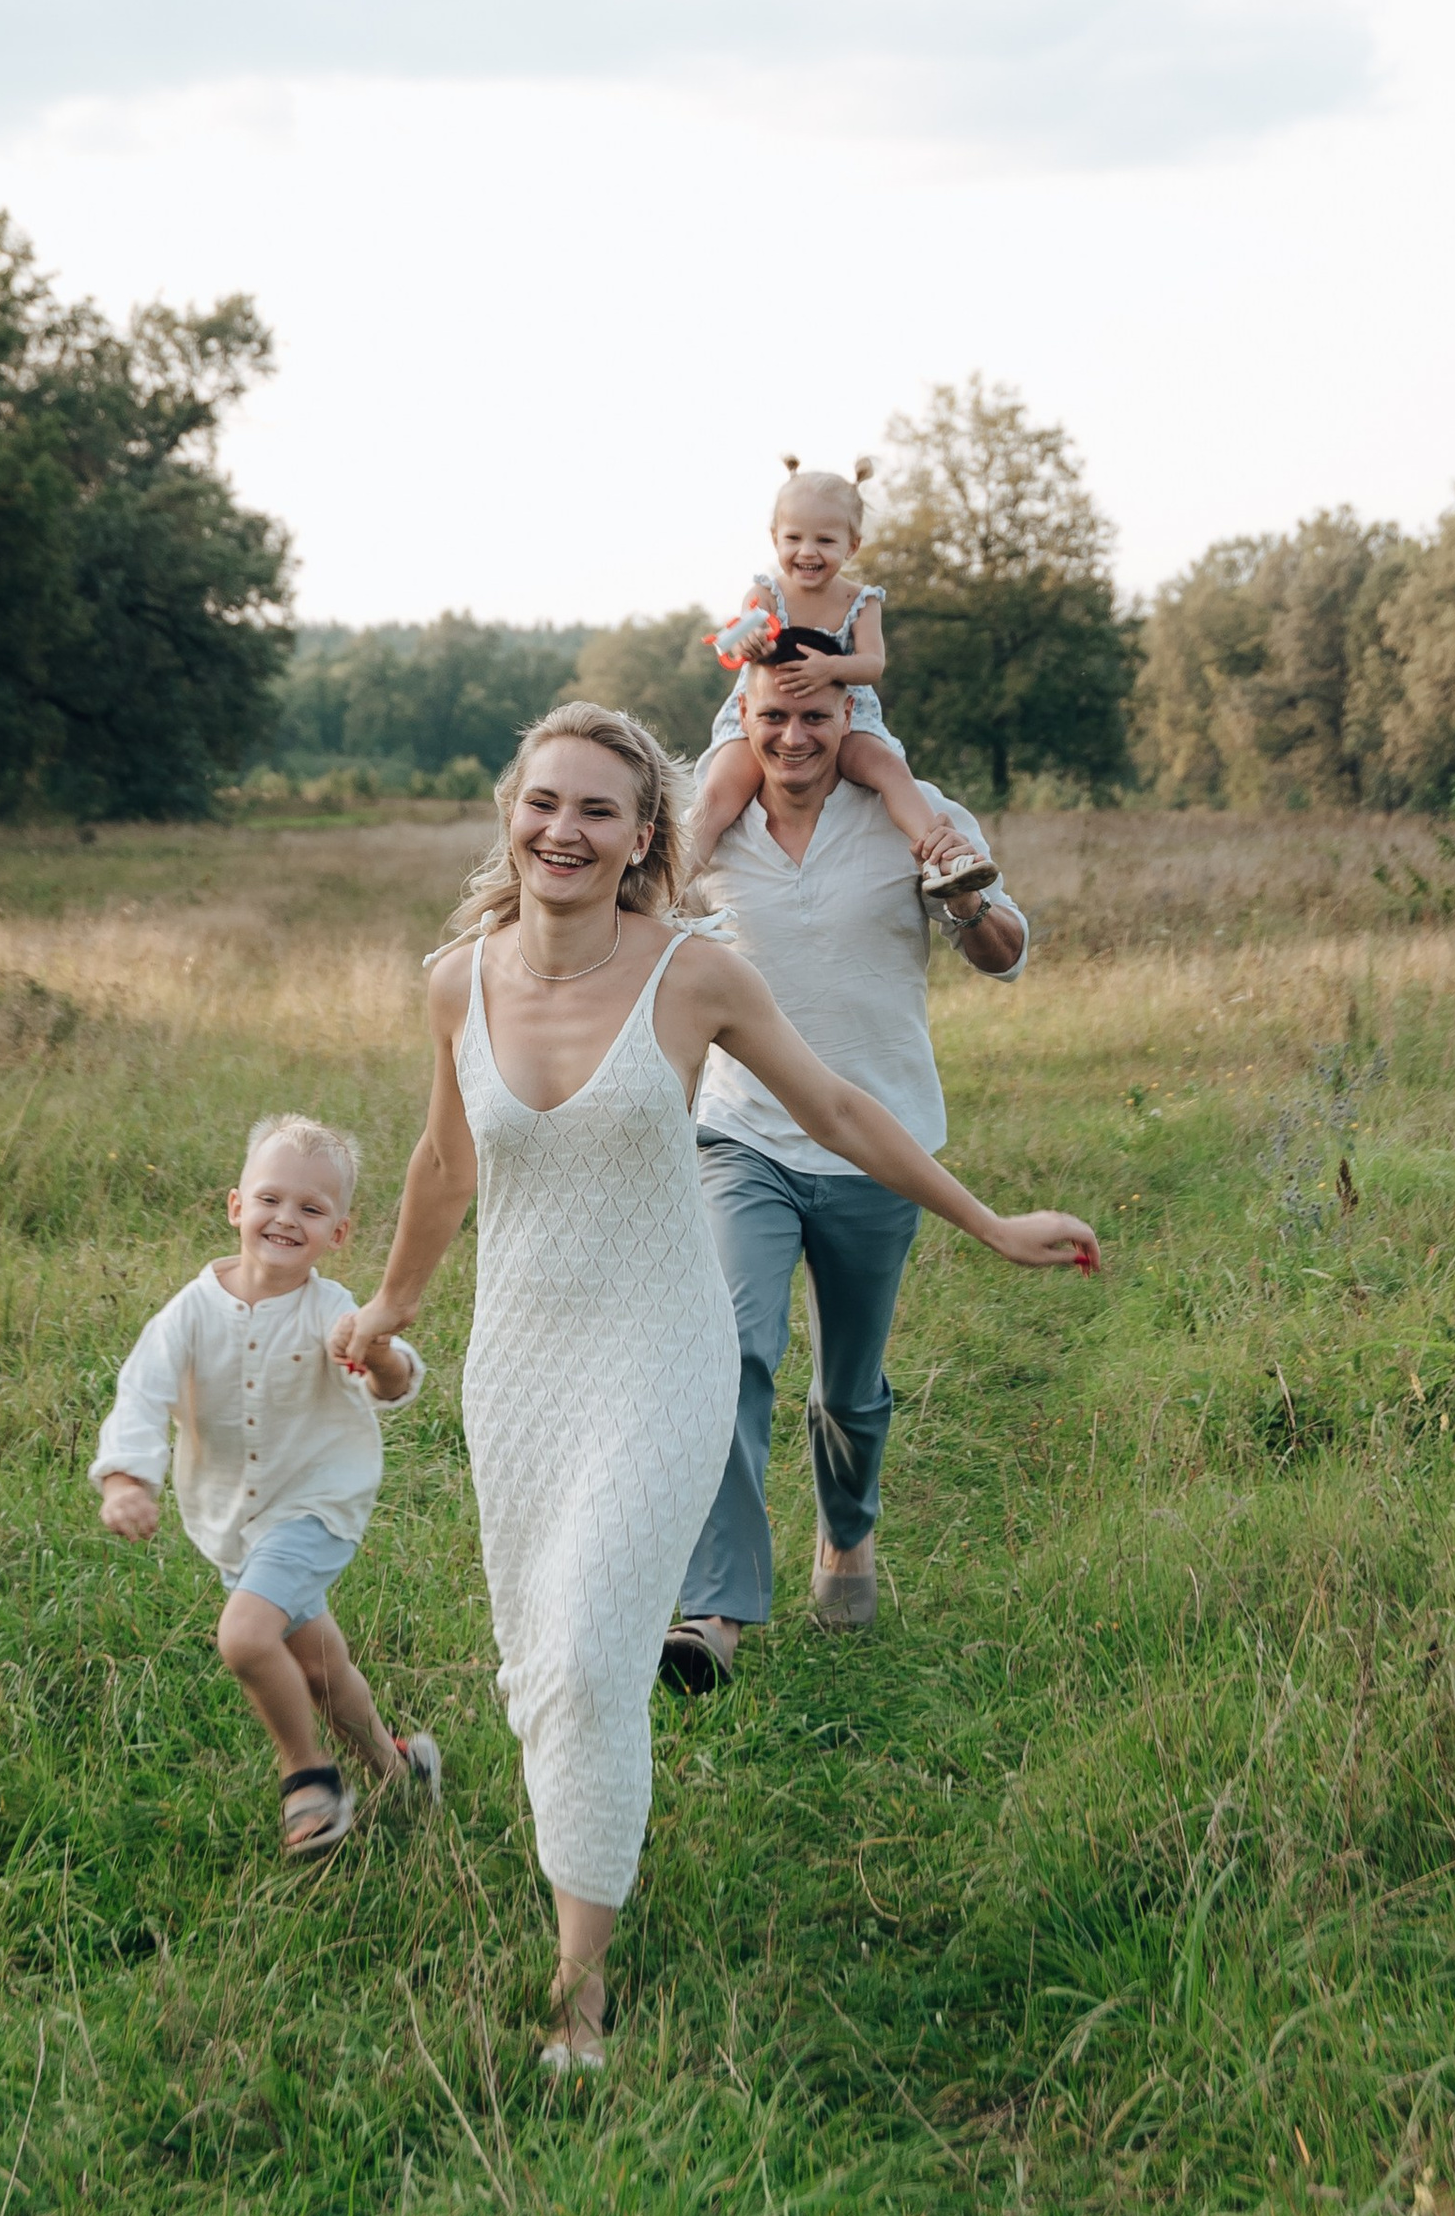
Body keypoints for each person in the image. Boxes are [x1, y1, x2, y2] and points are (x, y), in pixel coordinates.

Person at [338, 700, 1098, 2072]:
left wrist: (987, 1223)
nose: (562, 831)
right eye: (542, 803)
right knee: (538, 1666)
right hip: (518, 1368)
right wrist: (390, 1304)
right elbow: (444, 1164)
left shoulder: (695, 973)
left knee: (586, 1656)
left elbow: (842, 1111)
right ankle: (586, 1857)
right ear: (511, 814)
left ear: (644, 839)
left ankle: (579, 1989)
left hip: (658, 1356)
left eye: (597, 811)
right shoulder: (458, 979)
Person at [663, 663, 1033, 1683]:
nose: (792, 737)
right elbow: (629, 921)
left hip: (880, 1138)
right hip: (742, 1135)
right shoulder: (711, 824)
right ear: (741, 720)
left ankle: (847, 1529)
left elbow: (1006, 951)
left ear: (848, 717)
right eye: (771, 716)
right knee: (733, 1348)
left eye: (813, 716)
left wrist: (959, 903)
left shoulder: (910, 815)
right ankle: (718, 1607)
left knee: (848, 1387)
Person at [92, 1111, 441, 1860]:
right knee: (320, 1666)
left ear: (338, 1234)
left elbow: (399, 1376)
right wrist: (127, 1480)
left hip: (317, 1505)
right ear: (236, 1206)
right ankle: (396, 1768)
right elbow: (142, 1397)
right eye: (271, 1200)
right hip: (232, 1521)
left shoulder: (331, 1311)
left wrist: (374, 1353)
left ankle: (308, 1777)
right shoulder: (187, 1314)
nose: (287, 1219)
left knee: (246, 1637)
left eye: (312, 1210)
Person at [686, 458, 992, 901]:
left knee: (889, 770)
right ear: (775, 539)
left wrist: (830, 668)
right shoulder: (765, 593)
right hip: (762, 714)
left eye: (825, 540)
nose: (807, 552)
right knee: (719, 795)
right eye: (794, 538)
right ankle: (669, 885)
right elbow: (732, 642)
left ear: (852, 546)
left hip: (843, 713)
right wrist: (747, 644)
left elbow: (872, 664)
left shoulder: (859, 600)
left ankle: (943, 859)